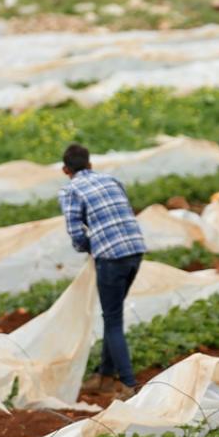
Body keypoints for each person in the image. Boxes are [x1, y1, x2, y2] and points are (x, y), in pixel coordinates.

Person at [58, 143, 147, 399]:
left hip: (111, 257)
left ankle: (130, 385)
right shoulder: (111, 180)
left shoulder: (71, 190)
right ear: (90, 164)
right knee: (113, 315)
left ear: (65, 169)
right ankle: (105, 377)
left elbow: (76, 233)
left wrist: (88, 246)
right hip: (135, 250)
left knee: (113, 319)